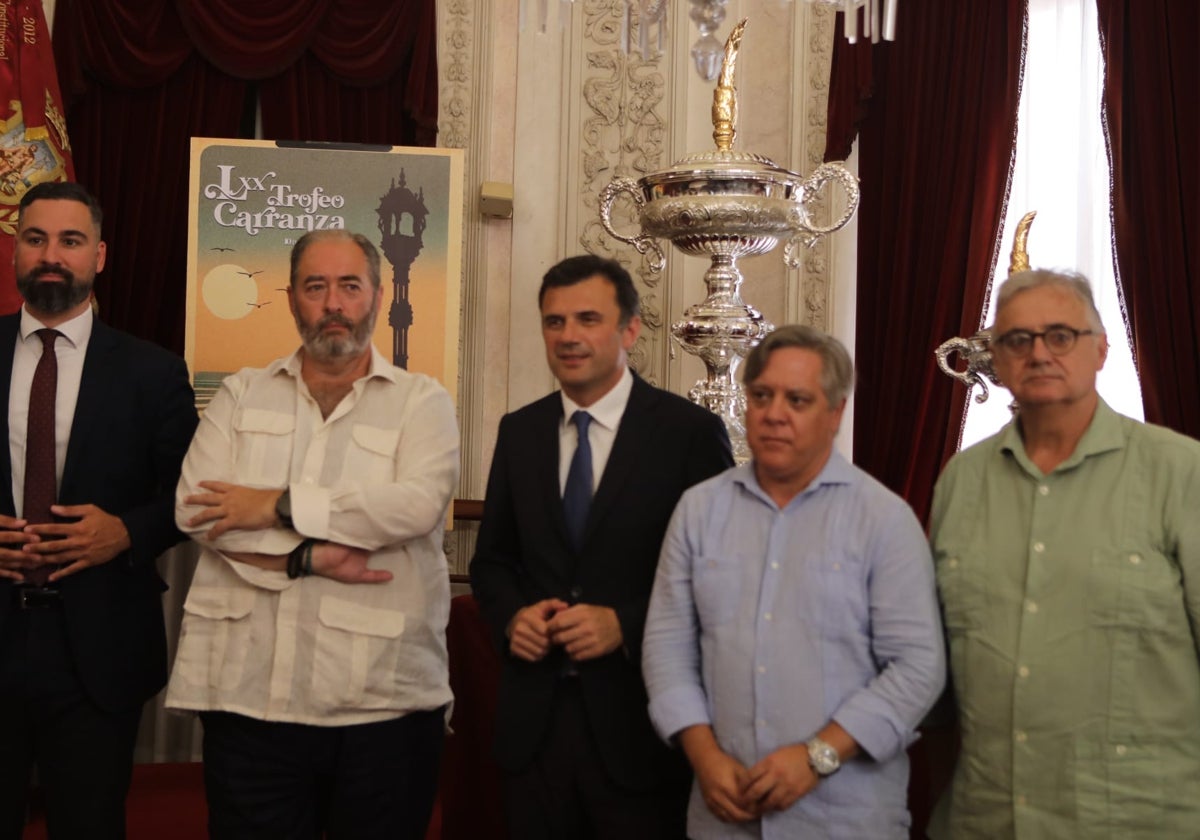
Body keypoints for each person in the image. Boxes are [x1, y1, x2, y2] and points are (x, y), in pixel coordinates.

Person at [165, 229, 459, 839]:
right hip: (247, 700)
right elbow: (195, 511)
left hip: (384, 702)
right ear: (292, 299)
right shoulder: (240, 395)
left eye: (349, 286)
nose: (333, 303)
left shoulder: (422, 403)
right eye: (315, 287)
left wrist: (273, 504)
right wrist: (306, 559)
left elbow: (413, 508)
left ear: (377, 297)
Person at [643, 324, 946, 839]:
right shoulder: (699, 509)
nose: (774, 413)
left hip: (845, 816)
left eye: (797, 399)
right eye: (762, 395)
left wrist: (819, 755)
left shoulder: (883, 519)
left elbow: (918, 667)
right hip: (723, 811)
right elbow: (667, 648)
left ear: (835, 413)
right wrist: (704, 757)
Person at [470, 254, 733, 839]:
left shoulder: (687, 435)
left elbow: (720, 575)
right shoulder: (520, 431)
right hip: (533, 732)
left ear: (629, 330)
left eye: (587, 319)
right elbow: (491, 561)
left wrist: (626, 625)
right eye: (554, 322)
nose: (568, 337)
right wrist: (514, 617)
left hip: (641, 730)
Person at [930, 269, 1200, 838]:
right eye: (1017, 340)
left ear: (1100, 350)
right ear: (996, 360)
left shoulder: (1181, 472)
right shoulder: (962, 480)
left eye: (1061, 335)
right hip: (987, 817)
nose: (1039, 354)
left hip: (1136, 819)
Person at [0, 181, 198, 838]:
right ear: (15, 252)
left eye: (70, 240)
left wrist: (126, 532)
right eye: (35, 239)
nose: (51, 254)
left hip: (98, 646)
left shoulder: (156, 372)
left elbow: (187, 497)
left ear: (101, 255)